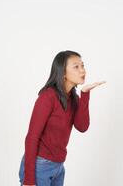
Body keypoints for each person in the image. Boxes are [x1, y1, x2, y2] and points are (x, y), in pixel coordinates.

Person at [18, 50, 106, 186]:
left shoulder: (73, 98)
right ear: (63, 73)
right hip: (39, 166)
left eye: (83, 66)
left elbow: (82, 127)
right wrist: (29, 180)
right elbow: (32, 137)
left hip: (58, 167)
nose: (82, 70)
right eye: (76, 67)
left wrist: (85, 94)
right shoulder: (48, 97)